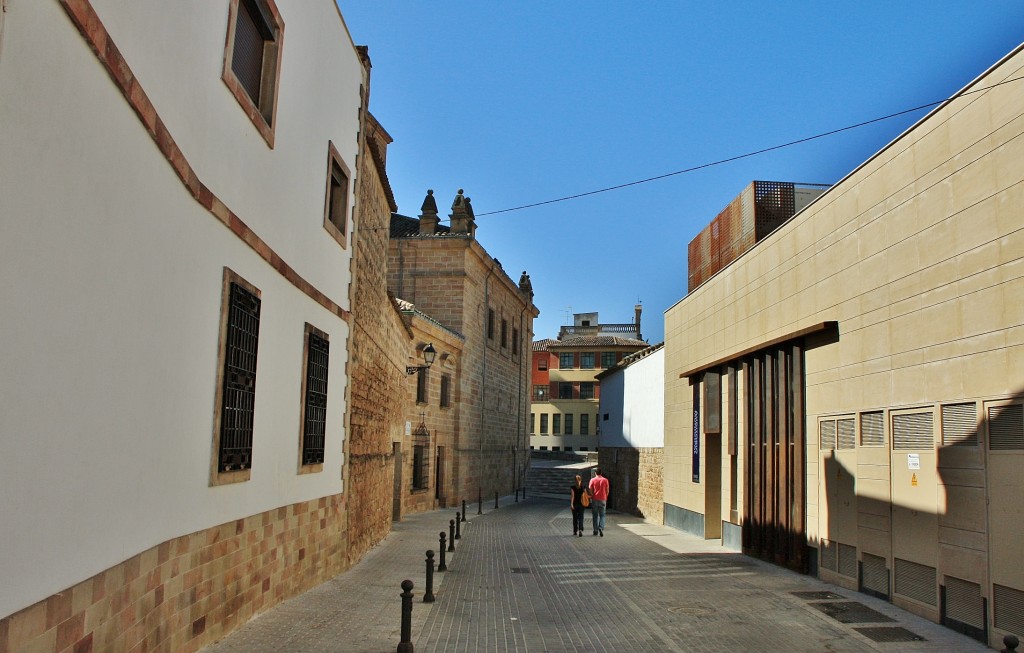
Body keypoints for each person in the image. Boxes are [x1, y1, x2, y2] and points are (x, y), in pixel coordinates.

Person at [588, 468, 610, 536]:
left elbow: (590, 490)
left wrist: (592, 496)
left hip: (595, 499)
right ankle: (601, 527)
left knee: (595, 516)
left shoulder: (592, 480)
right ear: (601, 473)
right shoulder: (605, 480)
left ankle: (595, 530)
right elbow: (607, 490)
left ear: (595, 473)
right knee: (602, 515)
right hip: (603, 499)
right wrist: (605, 497)